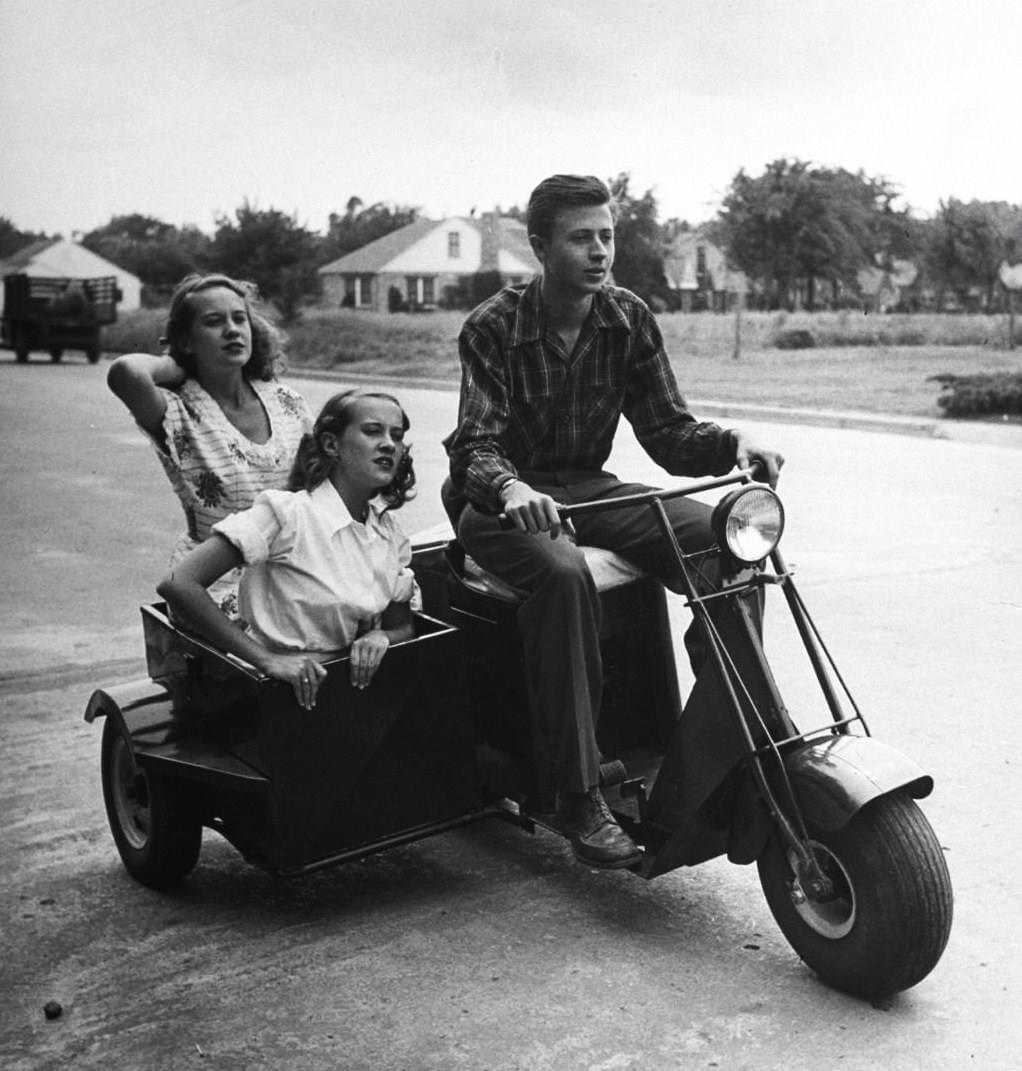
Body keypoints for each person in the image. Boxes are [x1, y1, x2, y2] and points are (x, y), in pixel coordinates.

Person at [443, 174, 785, 870]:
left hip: (589, 488)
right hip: (498, 502)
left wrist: (732, 443)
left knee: (728, 538)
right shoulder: (492, 326)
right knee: (564, 575)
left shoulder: (627, 316)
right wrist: (509, 488)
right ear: (540, 246)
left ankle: (725, 726)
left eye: (607, 235)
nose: (600, 251)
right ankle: (576, 792)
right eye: (581, 237)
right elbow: (474, 446)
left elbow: (668, 431)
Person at [158, 390, 417, 707]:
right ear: (331, 445)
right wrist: (267, 660)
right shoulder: (286, 514)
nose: (390, 444)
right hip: (273, 695)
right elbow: (178, 584)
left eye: (398, 435)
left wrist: (382, 637)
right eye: (372, 431)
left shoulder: (389, 534)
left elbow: (403, 625)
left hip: (349, 693)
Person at [107, 273, 313, 618]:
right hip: (215, 585)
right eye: (214, 322)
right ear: (187, 340)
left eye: (239, 318)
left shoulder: (286, 400)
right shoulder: (177, 409)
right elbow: (126, 372)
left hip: (293, 570)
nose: (232, 330)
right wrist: (177, 365)